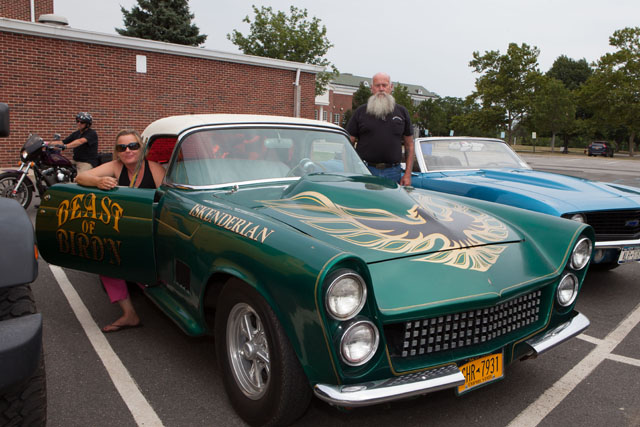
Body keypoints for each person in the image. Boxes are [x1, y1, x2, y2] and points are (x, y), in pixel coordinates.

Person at [76, 129, 165, 332]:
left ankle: (153, 292)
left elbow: (166, 202)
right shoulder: (116, 167)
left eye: (133, 146)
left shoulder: (154, 169)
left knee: (148, 269)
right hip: (123, 230)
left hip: (151, 232)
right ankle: (129, 314)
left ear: (141, 148)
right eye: (122, 147)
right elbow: (82, 177)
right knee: (105, 258)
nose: (128, 151)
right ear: (117, 151)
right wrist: (98, 182)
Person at [346, 72, 415, 185]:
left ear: (391, 87)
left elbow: (409, 145)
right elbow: (349, 143)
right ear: (372, 88)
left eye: (384, 85)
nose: (381, 89)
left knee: (390, 203)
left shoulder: (402, 112)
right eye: (378, 85)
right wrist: (350, 169)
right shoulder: (361, 112)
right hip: (365, 170)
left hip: (393, 172)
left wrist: (407, 174)